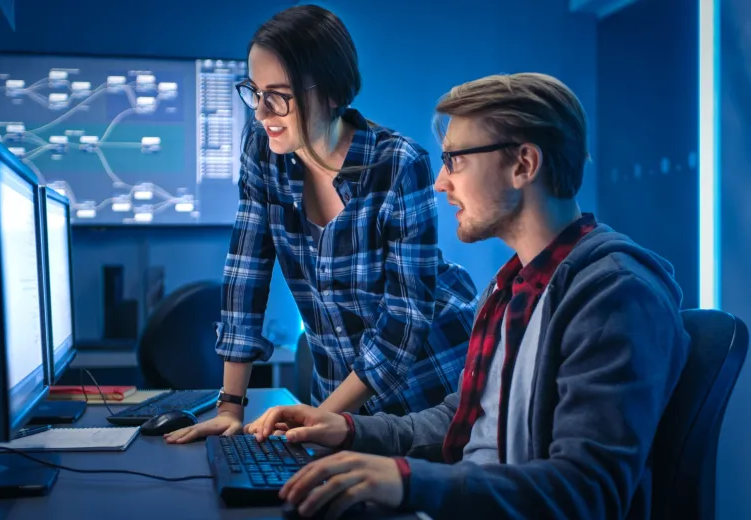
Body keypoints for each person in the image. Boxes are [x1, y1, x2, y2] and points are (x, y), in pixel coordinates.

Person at [242, 73, 691, 519]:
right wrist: (346, 429)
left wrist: (408, 482)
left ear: (523, 165)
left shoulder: (613, 295)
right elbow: (460, 423)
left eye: (454, 160)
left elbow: (585, 490)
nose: (440, 182)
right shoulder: (512, 286)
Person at [165, 5, 477, 444]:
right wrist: (230, 406)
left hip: (426, 384)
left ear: (331, 92)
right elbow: (246, 270)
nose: (260, 112)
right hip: (334, 397)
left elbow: (404, 322)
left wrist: (315, 421)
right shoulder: (262, 149)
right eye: (254, 92)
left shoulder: (398, 164)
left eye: (278, 95)